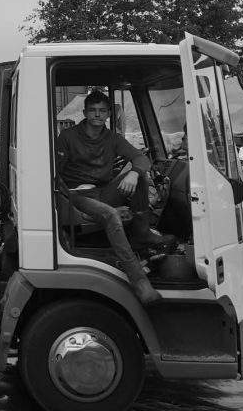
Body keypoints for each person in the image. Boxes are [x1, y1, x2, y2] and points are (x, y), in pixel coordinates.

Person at [56, 90, 168, 305]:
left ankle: (141, 233)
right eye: (93, 110)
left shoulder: (112, 139)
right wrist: (73, 189)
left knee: (141, 177)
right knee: (109, 215)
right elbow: (54, 173)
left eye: (102, 111)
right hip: (77, 195)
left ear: (108, 114)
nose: (97, 115)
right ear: (85, 112)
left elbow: (140, 158)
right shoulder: (68, 138)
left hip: (103, 191)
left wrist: (135, 173)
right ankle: (140, 282)